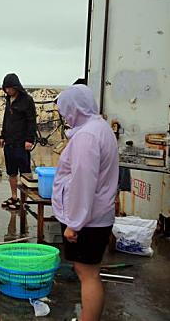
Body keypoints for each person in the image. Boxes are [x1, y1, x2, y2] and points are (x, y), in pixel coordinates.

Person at [52, 84, 119, 321]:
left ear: (75, 108)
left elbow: (83, 181)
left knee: (87, 274)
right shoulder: (98, 128)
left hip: (88, 220)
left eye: (65, 110)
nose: (64, 116)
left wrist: (74, 223)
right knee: (88, 272)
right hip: (97, 214)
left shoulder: (87, 137)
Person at [0, 73, 37, 209]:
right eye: (6, 88)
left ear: (16, 87)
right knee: (11, 171)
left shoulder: (27, 100)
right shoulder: (9, 100)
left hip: (22, 142)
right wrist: (2, 136)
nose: (8, 91)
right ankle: (14, 197)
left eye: (10, 88)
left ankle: (25, 200)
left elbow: (32, 121)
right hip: (9, 142)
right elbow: (6, 119)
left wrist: (29, 139)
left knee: (25, 172)